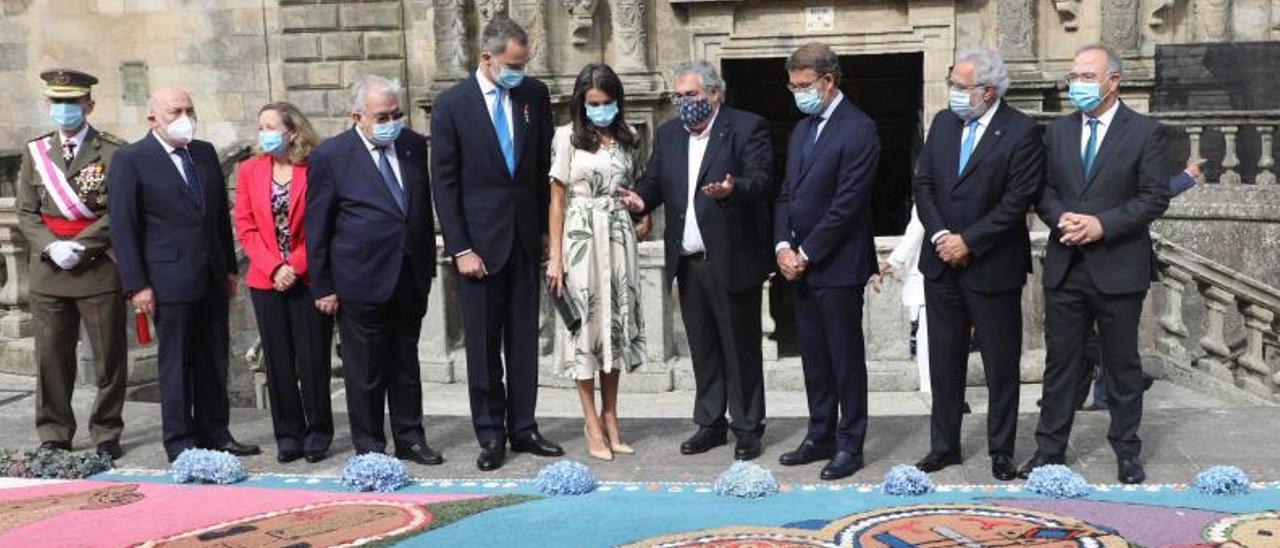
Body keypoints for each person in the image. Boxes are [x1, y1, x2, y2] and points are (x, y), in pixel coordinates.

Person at [1021, 44, 1172, 485]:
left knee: (1122, 365)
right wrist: (1060, 217)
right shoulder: (1058, 132)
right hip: (1067, 264)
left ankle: (1127, 451)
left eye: (1087, 75)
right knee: (1061, 363)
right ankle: (1049, 450)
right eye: (1073, 76)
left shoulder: (1145, 132)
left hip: (1119, 265)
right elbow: (1042, 190)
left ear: (1113, 80)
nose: (1077, 85)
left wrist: (1102, 225)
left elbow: (1154, 197)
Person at [619, 60, 774, 461]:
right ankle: (710, 424)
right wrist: (639, 199)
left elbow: (762, 180)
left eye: (690, 95)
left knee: (740, 349)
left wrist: (731, 187)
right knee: (702, 348)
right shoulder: (670, 135)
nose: (683, 102)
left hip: (732, 258)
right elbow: (654, 181)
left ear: (713, 94)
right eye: (678, 96)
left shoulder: (746, 127)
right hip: (688, 262)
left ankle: (747, 427)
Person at [431, 16, 564, 471]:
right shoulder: (452, 105)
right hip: (479, 249)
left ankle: (524, 427)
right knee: (484, 348)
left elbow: (545, 168)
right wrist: (460, 248)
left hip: (526, 240)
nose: (519, 71)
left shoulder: (534, 96)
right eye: (512, 63)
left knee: (525, 342)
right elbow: (444, 184)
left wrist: (549, 231)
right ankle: (490, 434)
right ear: (486, 58)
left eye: (524, 63)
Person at [909, 47, 1044, 482]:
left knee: (1000, 364)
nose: (952, 93)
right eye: (951, 84)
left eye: (959, 87)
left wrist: (970, 241)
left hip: (993, 265)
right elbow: (924, 183)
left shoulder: (1021, 131)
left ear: (987, 91)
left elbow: (1016, 201)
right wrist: (940, 236)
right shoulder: (943, 123)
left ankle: (1001, 450)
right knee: (944, 362)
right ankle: (943, 446)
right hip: (941, 263)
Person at [108, 87, 260, 462]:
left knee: (213, 357)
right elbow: (124, 227)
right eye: (175, 110)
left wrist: (227, 267)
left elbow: (217, 217)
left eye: (189, 110)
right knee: (176, 361)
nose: (184, 117)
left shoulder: (204, 152)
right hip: (166, 278)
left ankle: (216, 432)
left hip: (209, 274)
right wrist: (137, 284)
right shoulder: (132, 159)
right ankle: (180, 440)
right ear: (153, 118)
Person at [305, 76, 441, 465]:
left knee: (406, 363)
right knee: (364, 369)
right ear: (357, 116)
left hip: (408, 274)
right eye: (382, 116)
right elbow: (318, 227)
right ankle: (370, 445)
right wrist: (324, 286)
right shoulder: (331, 156)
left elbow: (417, 207)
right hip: (359, 278)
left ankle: (411, 439)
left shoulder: (413, 145)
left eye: (396, 114)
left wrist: (426, 266)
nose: (391, 122)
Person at [773, 43, 880, 480]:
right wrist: (781, 245)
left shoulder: (859, 129)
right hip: (798, 264)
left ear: (828, 81)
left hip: (837, 264)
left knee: (843, 356)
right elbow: (786, 194)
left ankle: (850, 443)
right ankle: (820, 434)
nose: (798, 93)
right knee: (813, 357)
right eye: (793, 86)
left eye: (804, 85)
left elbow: (847, 204)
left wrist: (806, 251)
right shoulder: (802, 130)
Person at [17, 69, 128, 459]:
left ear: (89, 105)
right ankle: (54, 430)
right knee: (51, 358)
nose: (65, 109)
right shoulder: (35, 153)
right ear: (48, 104)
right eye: (58, 102)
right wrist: (51, 246)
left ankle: (106, 430)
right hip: (49, 272)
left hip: (97, 268)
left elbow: (120, 210)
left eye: (73, 102)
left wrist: (81, 245)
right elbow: (26, 212)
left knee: (108, 357)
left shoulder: (114, 151)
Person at [545, 64, 647, 461]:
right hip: (581, 237)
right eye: (593, 103)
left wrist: (641, 214)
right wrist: (555, 257)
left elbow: (633, 189)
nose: (601, 109)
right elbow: (556, 200)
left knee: (615, 327)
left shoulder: (629, 137)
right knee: (585, 329)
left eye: (607, 102)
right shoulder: (566, 138)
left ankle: (612, 415)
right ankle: (590, 421)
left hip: (620, 239)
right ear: (581, 103)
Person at [234, 102, 334, 464]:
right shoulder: (249, 170)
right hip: (266, 280)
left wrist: (295, 264)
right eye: (261, 126)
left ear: (293, 131)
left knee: (313, 359)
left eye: (271, 126)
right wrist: (275, 267)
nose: (264, 133)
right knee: (277, 361)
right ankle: (288, 435)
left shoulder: (316, 167)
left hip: (308, 277)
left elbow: (325, 223)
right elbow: (245, 226)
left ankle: (318, 432)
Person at [881, 206, 929, 393]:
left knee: (927, 334)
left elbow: (914, 235)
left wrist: (889, 263)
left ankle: (929, 385)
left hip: (927, 276)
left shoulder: (928, 194)